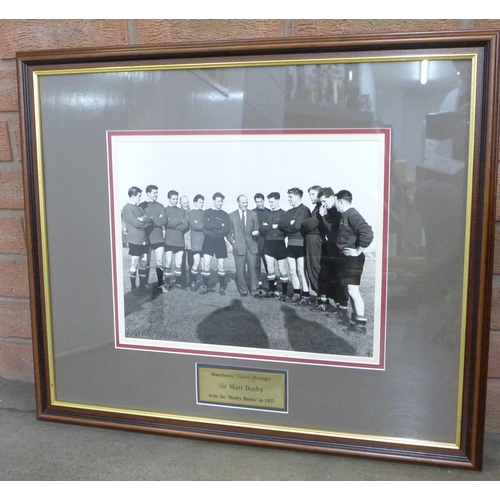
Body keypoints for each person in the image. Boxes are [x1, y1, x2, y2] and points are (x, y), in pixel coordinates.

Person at [335, 189, 374, 328]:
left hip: (353, 259)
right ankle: (354, 321)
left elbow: (368, 233)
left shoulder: (352, 214)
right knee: (351, 291)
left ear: (340, 201)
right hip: (346, 258)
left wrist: (358, 251)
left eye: (336, 202)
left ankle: (361, 325)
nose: (335, 206)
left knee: (353, 291)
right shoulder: (345, 215)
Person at [315, 187, 348, 314]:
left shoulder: (337, 211)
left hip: (337, 249)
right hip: (327, 248)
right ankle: (327, 303)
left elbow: (331, 228)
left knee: (338, 278)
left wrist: (323, 217)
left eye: (324, 201)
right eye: (321, 202)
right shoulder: (327, 210)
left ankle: (341, 307)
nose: (323, 204)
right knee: (325, 275)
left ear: (332, 197)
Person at [278, 187, 311, 305]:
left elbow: (297, 226)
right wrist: (289, 226)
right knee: (292, 270)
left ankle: (305, 295)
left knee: (301, 271)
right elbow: (281, 225)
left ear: (297, 197)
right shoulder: (289, 212)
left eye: (290, 197)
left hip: (301, 244)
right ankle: (297, 294)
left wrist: (289, 227)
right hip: (290, 244)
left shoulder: (305, 210)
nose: (288, 199)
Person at [227, 194, 260, 298]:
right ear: (238, 203)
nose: (245, 204)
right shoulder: (231, 215)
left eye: (246, 202)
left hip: (251, 247)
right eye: (243, 202)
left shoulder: (253, 214)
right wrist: (233, 242)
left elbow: (257, 229)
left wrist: (256, 233)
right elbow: (228, 233)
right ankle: (243, 291)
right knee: (240, 271)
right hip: (239, 247)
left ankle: (255, 291)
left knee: (253, 270)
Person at [121, 186, 152, 295]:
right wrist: (143, 222)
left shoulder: (139, 208)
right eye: (139, 196)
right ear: (133, 196)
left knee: (143, 262)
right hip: (135, 240)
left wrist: (143, 220)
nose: (140, 198)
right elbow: (136, 223)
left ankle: (142, 286)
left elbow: (149, 220)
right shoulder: (126, 208)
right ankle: (133, 288)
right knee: (134, 262)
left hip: (144, 239)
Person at [200, 192, 230, 295]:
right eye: (218, 201)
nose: (220, 203)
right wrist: (218, 225)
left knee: (221, 265)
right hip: (208, 241)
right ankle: (205, 287)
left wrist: (213, 228)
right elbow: (206, 226)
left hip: (220, 241)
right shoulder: (207, 212)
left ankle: (221, 288)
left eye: (222, 201)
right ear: (213, 201)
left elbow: (226, 230)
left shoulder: (225, 215)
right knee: (206, 264)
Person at [261, 192, 289, 300]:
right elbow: (262, 227)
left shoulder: (284, 214)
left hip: (279, 243)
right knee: (270, 268)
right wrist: (272, 227)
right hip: (268, 243)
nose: (270, 204)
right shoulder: (267, 214)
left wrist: (273, 228)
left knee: (282, 269)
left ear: (278, 200)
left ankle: (284, 292)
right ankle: (272, 290)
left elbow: (284, 228)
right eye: (269, 202)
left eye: (272, 202)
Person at [139, 185, 167, 293]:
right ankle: (143, 285)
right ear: (148, 193)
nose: (156, 195)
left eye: (157, 192)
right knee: (145, 262)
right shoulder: (142, 206)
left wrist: (151, 220)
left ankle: (160, 284)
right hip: (146, 238)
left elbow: (164, 220)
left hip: (159, 238)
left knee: (160, 261)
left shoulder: (160, 206)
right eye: (154, 193)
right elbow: (142, 220)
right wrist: (155, 219)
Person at [301, 185, 323, 304]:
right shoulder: (316, 208)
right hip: (311, 240)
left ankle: (322, 299)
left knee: (316, 267)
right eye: (309, 194)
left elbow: (308, 225)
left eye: (313, 194)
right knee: (312, 268)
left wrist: (305, 223)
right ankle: (320, 298)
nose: (310, 197)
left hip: (315, 241)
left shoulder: (321, 208)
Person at [164, 190, 189, 290]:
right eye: (173, 199)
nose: (175, 201)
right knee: (168, 262)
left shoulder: (181, 211)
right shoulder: (165, 210)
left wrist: (174, 226)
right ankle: (167, 283)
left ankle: (178, 283)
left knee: (178, 263)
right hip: (169, 240)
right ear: (169, 199)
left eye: (176, 199)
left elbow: (186, 225)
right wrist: (179, 221)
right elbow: (167, 223)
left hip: (179, 241)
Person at [252, 193, 271, 294]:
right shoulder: (252, 212)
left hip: (266, 240)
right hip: (256, 241)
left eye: (260, 201)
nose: (259, 204)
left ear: (264, 201)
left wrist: (261, 229)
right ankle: (258, 283)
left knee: (268, 263)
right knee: (256, 263)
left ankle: (270, 284)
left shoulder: (268, 212)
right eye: (257, 202)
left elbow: (269, 227)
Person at [187, 194, 206, 291]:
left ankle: (204, 284)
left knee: (204, 264)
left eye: (203, 202)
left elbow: (207, 225)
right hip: (196, 242)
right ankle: (193, 282)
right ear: (195, 202)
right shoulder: (190, 213)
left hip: (205, 241)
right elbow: (195, 226)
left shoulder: (205, 213)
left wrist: (202, 225)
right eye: (200, 202)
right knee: (196, 262)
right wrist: (204, 226)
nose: (202, 204)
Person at [179, 195, 194, 289]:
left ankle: (193, 281)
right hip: (180, 241)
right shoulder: (178, 213)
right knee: (181, 262)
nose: (186, 205)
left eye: (187, 203)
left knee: (191, 262)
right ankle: (182, 282)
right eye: (184, 203)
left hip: (191, 241)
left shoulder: (191, 213)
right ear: (180, 203)